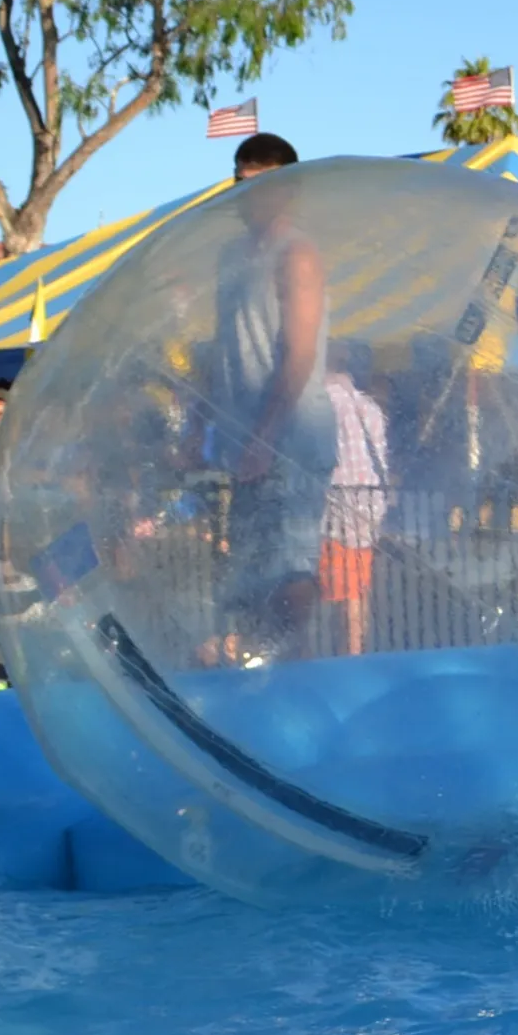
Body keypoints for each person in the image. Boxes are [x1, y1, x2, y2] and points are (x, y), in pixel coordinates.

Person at [209, 139, 329, 661]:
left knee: (291, 567)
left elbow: (299, 354)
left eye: (261, 182)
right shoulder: (231, 256)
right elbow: (222, 344)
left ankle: (296, 671)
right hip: (244, 434)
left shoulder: (297, 254)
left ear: (288, 190)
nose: (248, 193)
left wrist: (266, 435)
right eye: (240, 182)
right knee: (254, 567)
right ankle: (263, 678)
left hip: (293, 435)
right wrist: (201, 424)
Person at [320, 357, 390, 656]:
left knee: (332, 589)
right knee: (357, 588)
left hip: (337, 502)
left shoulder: (323, 403)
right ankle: (355, 651)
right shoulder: (370, 407)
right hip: (368, 502)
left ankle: (336, 653)